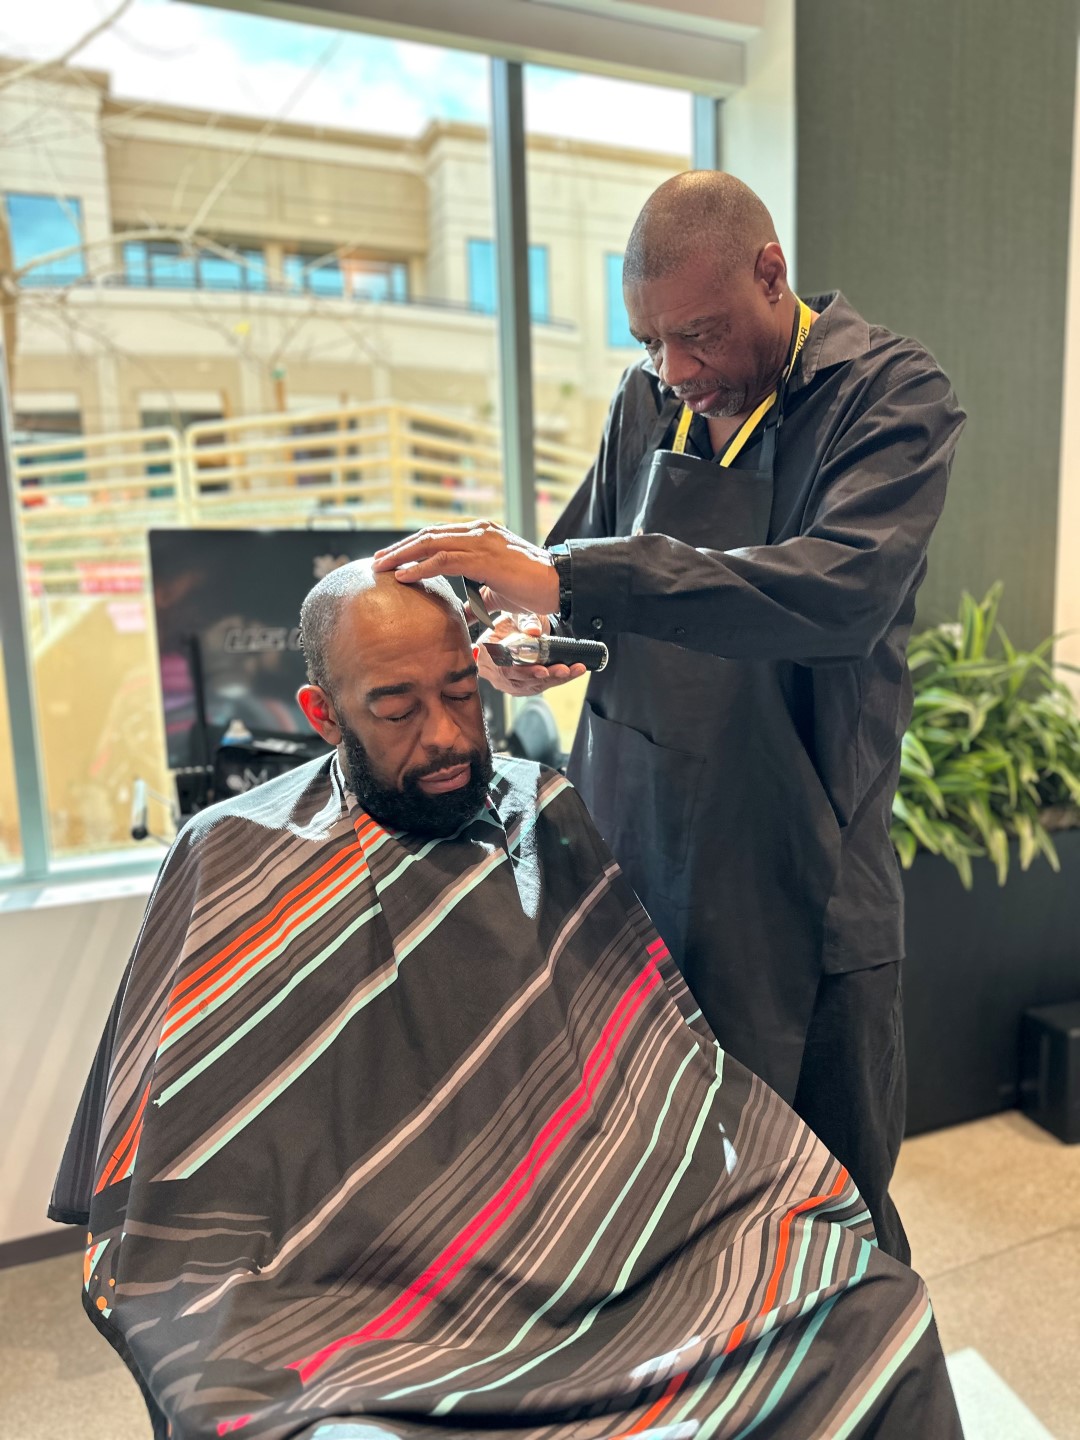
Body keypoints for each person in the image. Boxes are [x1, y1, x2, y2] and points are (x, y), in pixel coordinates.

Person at [50, 563, 964, 1440]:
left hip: (601, 1227)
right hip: (354, 1288)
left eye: (461, 692)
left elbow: (648, 1052)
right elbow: (195, 1153)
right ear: (323, 714)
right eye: (397, 708)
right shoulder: (230, 857)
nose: (447, 738)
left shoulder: (538, 804)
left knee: (871, 1307)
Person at [371, 171, 967, 1265]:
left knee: (828, 1211)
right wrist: (532, 641)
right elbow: (575, 581)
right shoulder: (647, 400)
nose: (677, 369)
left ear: (771, 274)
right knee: (662, 1190)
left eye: (699, 334)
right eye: (650, 341)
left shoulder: (889, 398)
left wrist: (570, 582)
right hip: (637, 854)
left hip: (804, 875)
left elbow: (838, 595)